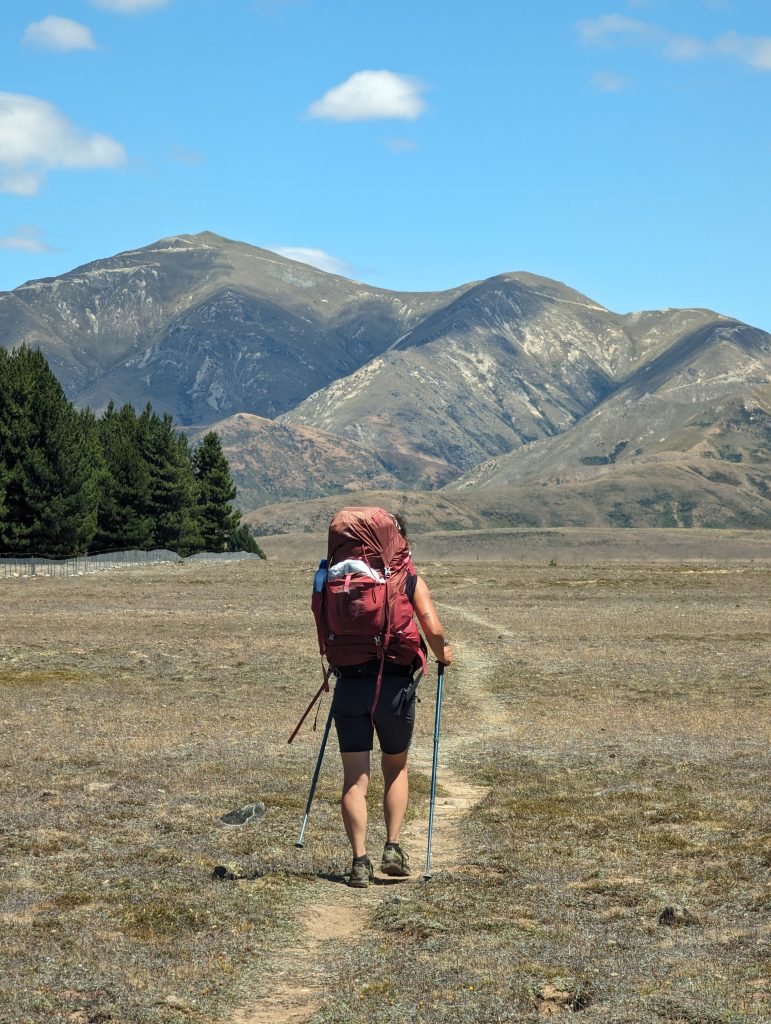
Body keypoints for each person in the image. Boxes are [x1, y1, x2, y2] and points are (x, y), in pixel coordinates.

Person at [328, 512, 453, 888]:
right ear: (400, 542)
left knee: (355, 777)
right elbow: (432, 628)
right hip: (394, 688)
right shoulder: (406, 577)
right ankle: (393, 849)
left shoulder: (338, 576)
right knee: (395, 767)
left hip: (349, 685)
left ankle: (358, 862)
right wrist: (444, 654)